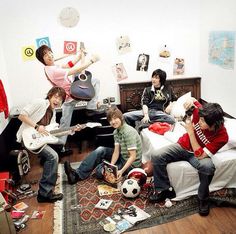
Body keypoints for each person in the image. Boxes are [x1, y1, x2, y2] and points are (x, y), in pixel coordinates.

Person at [149, 99, 228, 216]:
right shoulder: (200, 112)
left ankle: (203, 200)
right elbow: (193, 101)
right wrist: (190, 101)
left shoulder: (222, 137)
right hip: (183, 146)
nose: (199, 121)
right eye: (199, 119)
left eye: (202, 121)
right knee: (156, 155)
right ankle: (165, 190)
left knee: (208, 168)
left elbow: (200, 155)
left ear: (213, 125)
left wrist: (191, 132)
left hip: (197, 155)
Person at [16, 87, 81, 203]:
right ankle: (44, 194)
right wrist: (36, 126)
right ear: (50, 95)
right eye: (56, 97)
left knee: (59, 145)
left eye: (60, 99)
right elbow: (21, 115)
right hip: (28, 137)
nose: (57, 101)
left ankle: (48, 181)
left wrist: (71, 130)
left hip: (41, 139)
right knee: (53, 156)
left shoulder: (53, 112)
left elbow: (52, 131)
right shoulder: (40, 103)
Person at [35, 45, 100, 155]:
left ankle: (60, 148)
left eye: (49, 52)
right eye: (45, 55)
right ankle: (91, 108)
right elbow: (75, 69)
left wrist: (79, 55)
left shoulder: (52, 67)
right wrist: (92, 60)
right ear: (43, 60)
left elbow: (69, 64)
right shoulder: (53, 71)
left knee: (64, 125)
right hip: (71, 96)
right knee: (64, 126)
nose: (49, 55)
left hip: (70, 95)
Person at [63, 107, 142, 184]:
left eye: (115, 118)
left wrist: (121, 171)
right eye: (110, 120)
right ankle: (76, 175)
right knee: (101, 150)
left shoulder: (128, 132)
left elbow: (133, 156)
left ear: (121, 117)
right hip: (122, 158)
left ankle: (100, 168)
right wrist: (111, 166)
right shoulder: (116, 132)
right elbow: (116, 151)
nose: (113, 122)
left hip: (131, 165)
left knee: (98, 171)